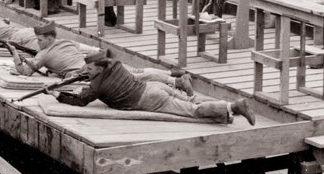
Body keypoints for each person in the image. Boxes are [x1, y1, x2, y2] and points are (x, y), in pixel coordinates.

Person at [56, 51, 256, 125]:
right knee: (189, 101)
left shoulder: (96, 86)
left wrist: (58, 94)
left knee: (192, 111)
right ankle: (227, 113)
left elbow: (80, 100)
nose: (87, 72)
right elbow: (99, 65)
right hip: (153, 87)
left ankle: (234, 107)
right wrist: (83, 72)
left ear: (99, 68)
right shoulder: (114, 64)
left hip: (149, 99)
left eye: (89, 69)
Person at [13, 22, 88, 77]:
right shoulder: (67, 42)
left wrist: (14, 52)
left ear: (49, 39)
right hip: (90, 66)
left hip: (80, 74)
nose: (38, 43)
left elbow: (25, 72)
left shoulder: (44, 54)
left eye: (40, 40)